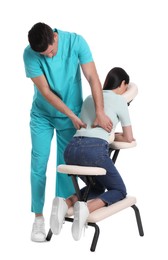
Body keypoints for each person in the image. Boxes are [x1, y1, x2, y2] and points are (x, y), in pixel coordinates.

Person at [23, 22, 112, 242]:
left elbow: (92, 77)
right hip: (42, 115)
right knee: (38, 164)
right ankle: (38, 219)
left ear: (55, 37)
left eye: (52, 51)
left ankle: (61, 208)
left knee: (65, 166)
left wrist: (99, 111)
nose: (50, 57)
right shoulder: (30, 54)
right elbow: (44, 91)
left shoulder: (76, 42)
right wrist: (72, 116)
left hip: (71, 115)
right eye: (45, 55)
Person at [50, 67, 135, 241]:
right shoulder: (120, 100)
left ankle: (65, 203)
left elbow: (88, 127)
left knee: (96, 187)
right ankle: (86, 208)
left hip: (71, 149)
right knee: (119, 189)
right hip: (94, 152)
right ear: (123, 84)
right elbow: (128, 138)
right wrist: (116, 135)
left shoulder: (90, 98)